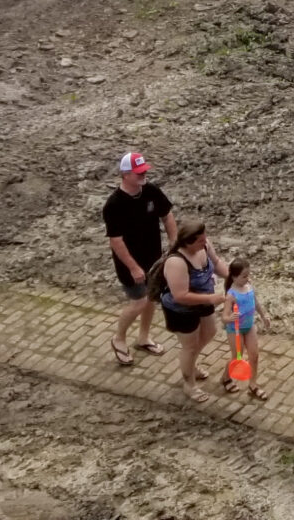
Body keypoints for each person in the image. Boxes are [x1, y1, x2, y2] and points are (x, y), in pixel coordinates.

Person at [104, 150, 176, 366]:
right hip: (130, 264)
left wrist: (174, 242)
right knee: (139, 302)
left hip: (154, 259)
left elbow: (167, 215)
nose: (144, 175)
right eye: (139, 172)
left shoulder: (151, 191)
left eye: (144, 171)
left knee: (151, 298)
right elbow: (116, 241)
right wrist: (133, 267)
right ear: (125, 174)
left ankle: (144, 337)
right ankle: (119, 338)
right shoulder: (114, 205)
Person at [151, 216, 228, 404]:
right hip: (181, 309)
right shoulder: (176, 262)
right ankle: (189, 384)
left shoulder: (204, 246)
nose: (205, 242)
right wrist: (211, 298)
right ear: (188, 242)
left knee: (209, 331)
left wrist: (232, 278)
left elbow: (216, 263)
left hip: (204, 300)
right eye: (200, 240)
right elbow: (181, 295)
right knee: (190, 346)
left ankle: (191, 362)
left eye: (205, 238)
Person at [219, 257, 268, 400]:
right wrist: (230, 318)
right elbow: (224, 317)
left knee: (254, 355)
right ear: (234, 277)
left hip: (249, 326)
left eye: (248, 275)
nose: (247, 278)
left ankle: (253, 385)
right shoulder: (231, 295)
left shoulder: (249, 286)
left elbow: (255, 301)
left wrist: (264, 315)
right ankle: (226, 377)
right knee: (237, 357)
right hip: (235, 330)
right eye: (244, 276)